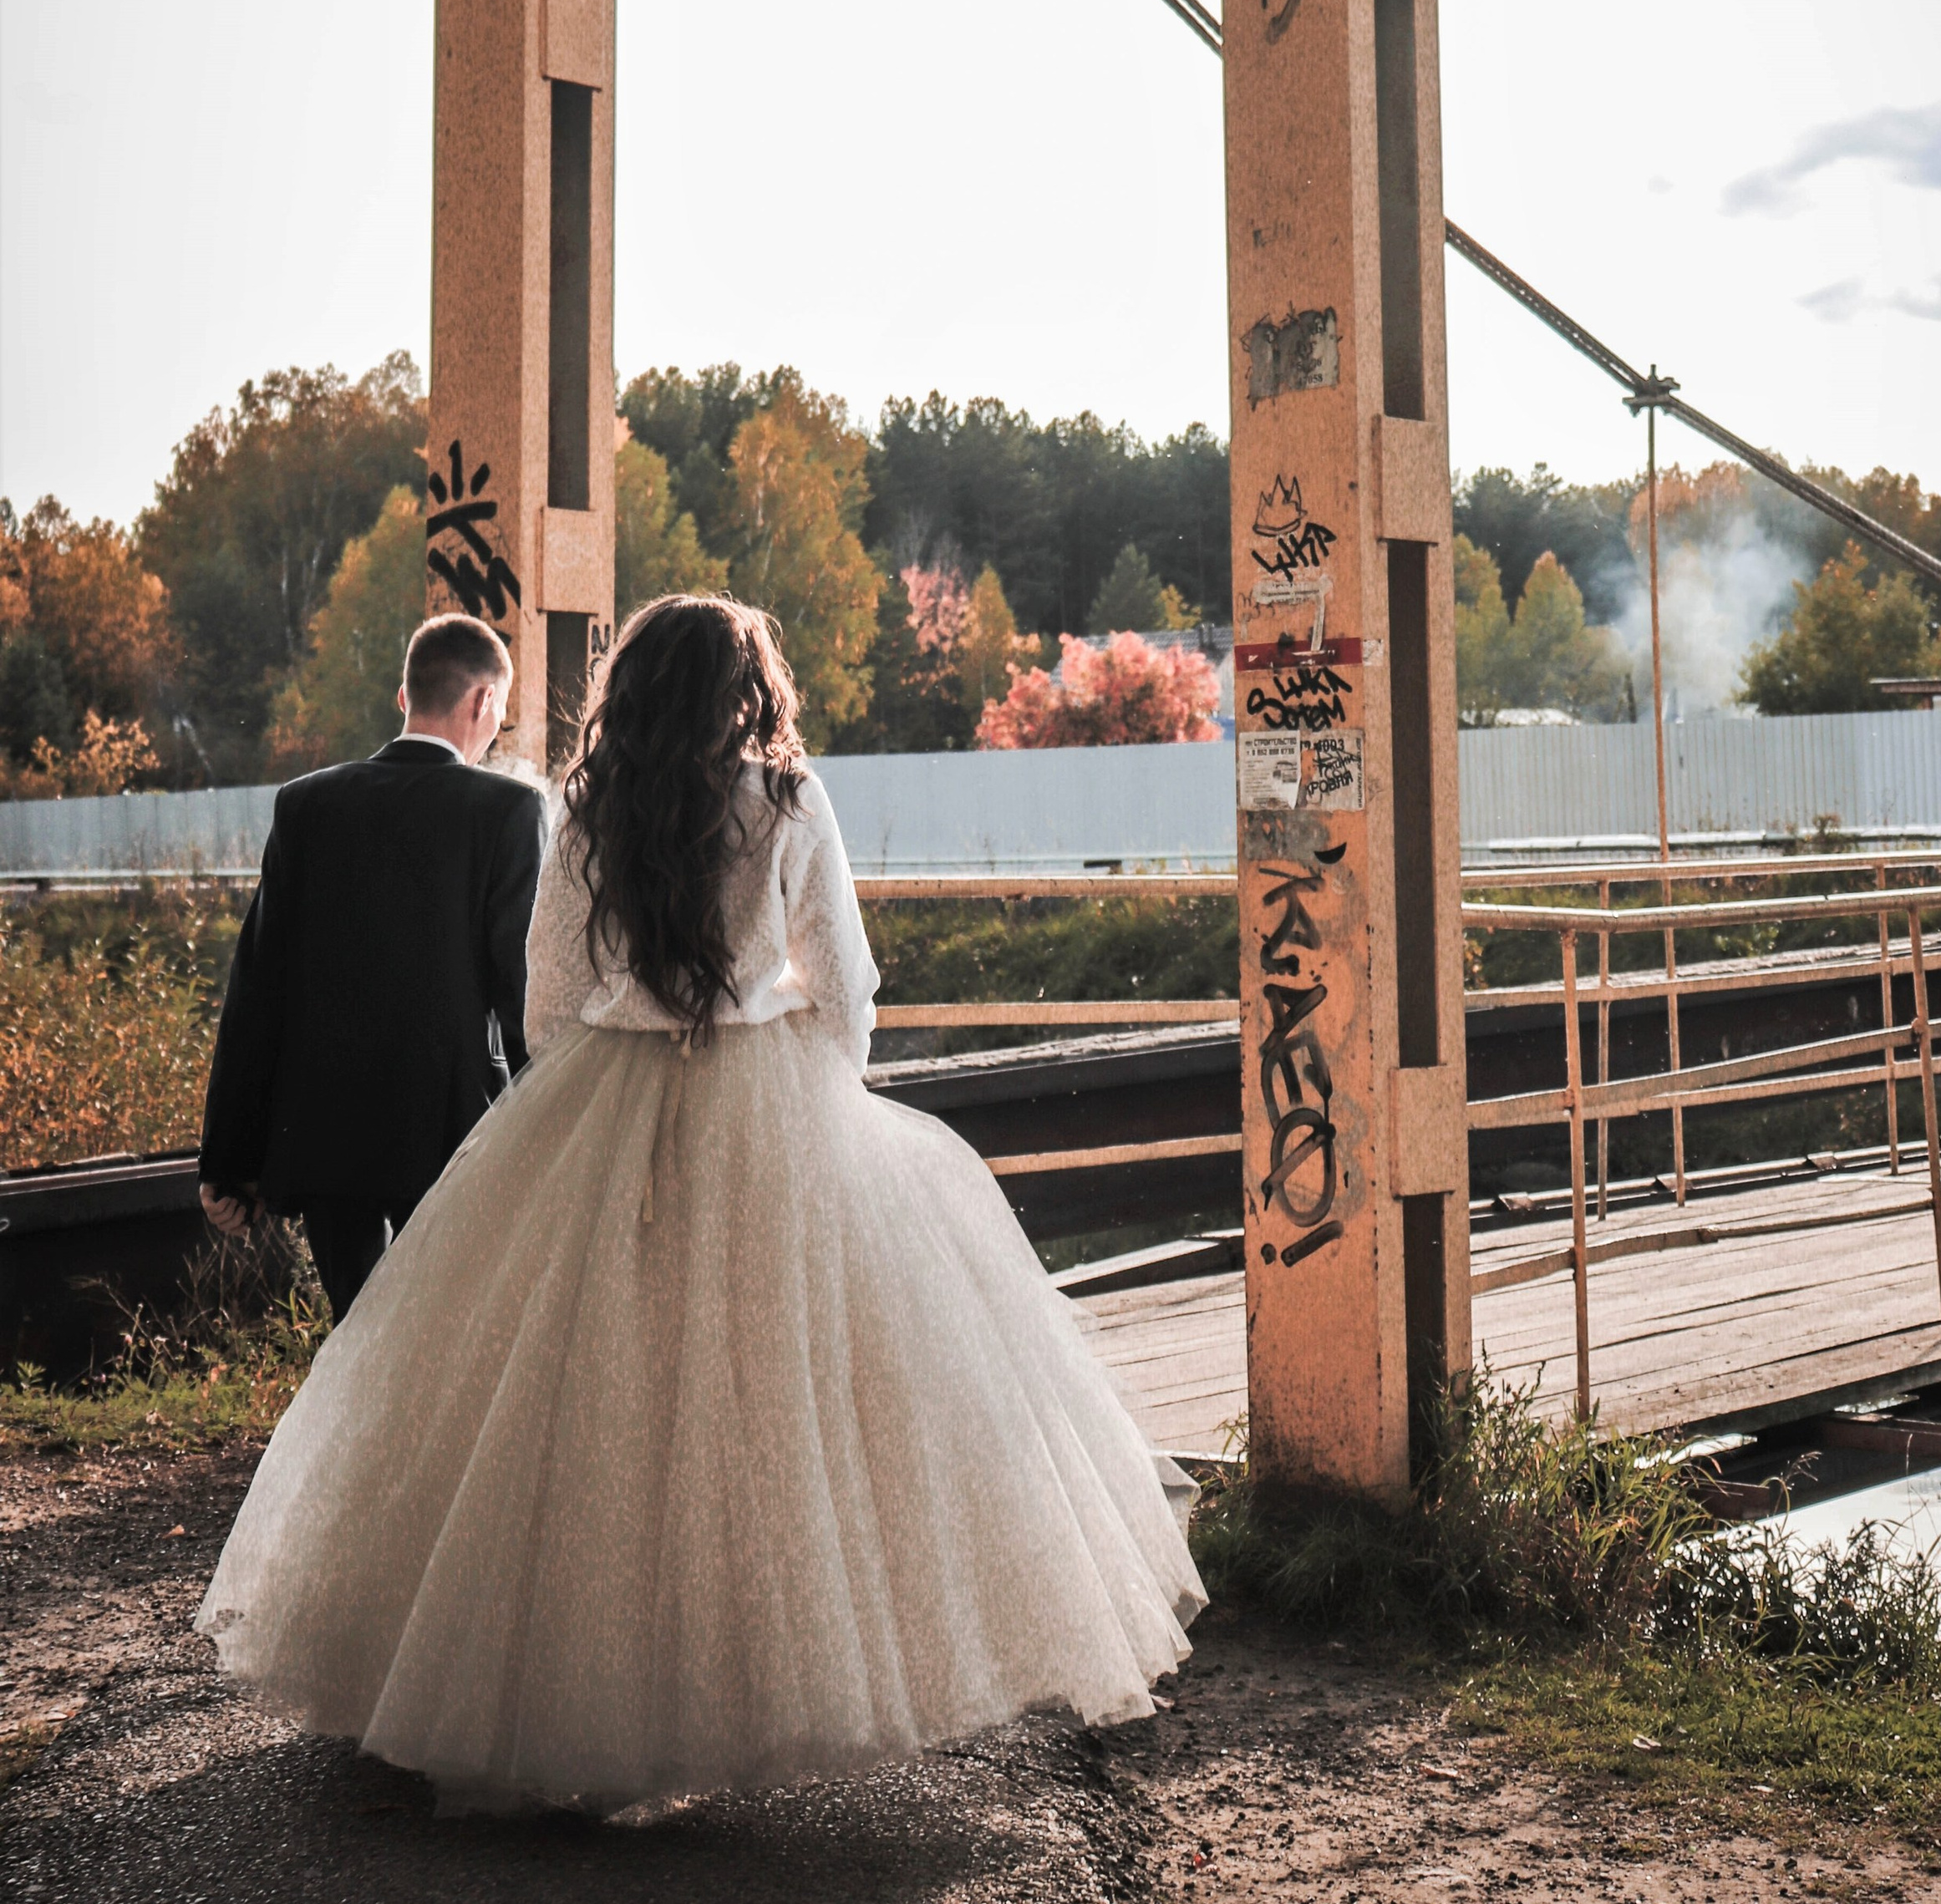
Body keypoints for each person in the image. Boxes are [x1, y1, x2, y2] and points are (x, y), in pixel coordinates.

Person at [196, 592, 1202, 1812]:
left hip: (606, 1096)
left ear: (630, 691)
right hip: (767, 1095)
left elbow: (548, 997)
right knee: (766, 1400)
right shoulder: (788, 800)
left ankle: (577, 1700)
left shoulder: (585, 808)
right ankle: (746, 1688)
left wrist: (584, 1098)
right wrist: (815, 1099)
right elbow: (846, 985)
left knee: (598, 1399)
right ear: (745, 690)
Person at [198, 613, 546, 1322]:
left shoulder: (306, 804)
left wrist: (228, 1160)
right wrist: (549, 1125)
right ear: (484, 701)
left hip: (327, 1138)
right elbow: (520, 990)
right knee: (448, 1331)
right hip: (450, 1132)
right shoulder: (507, 811)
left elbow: (258, 988)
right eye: (501, 710)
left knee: (355, 1336)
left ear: (403, 696)